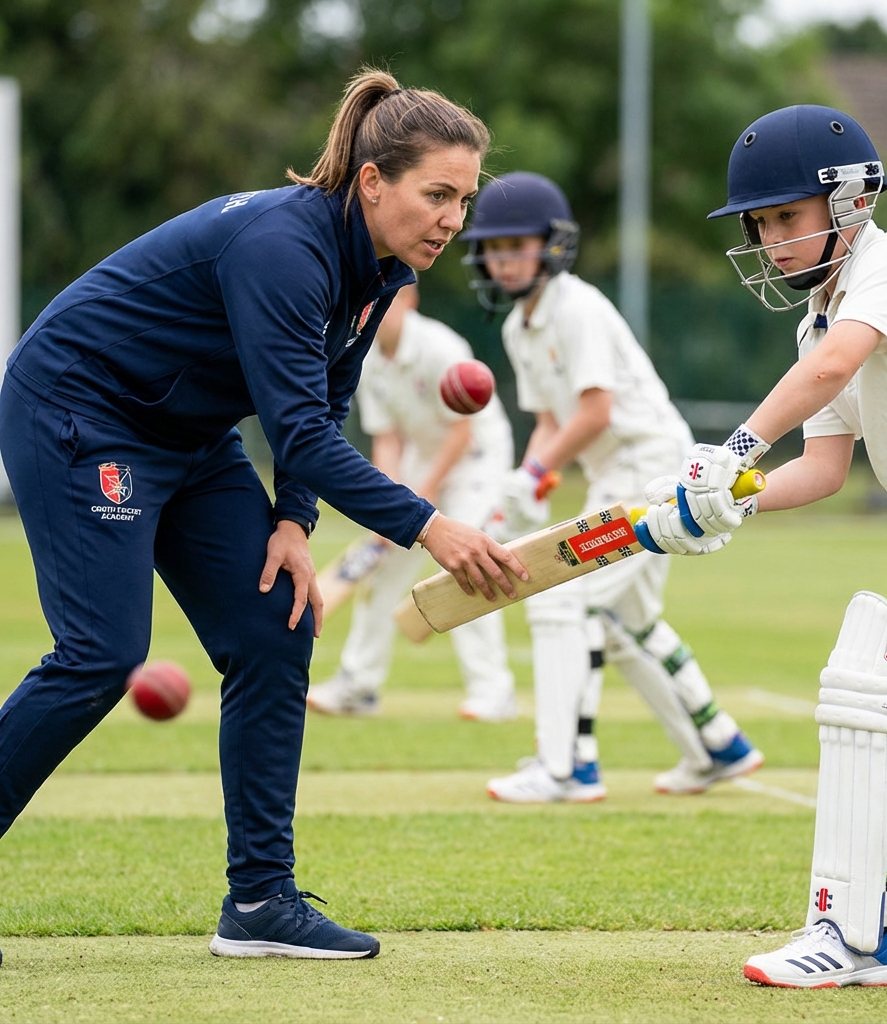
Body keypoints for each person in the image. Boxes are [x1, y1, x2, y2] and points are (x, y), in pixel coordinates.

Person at [0, 70, 526, 963]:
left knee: (277, 627)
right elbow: (302, 430)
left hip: (190, 434)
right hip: (81, 410)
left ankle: (259, 904)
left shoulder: (383, 266)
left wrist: (292, 521)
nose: (452, 219)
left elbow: (328, 394)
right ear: (372, 180)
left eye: (464, 200)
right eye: (436, 194)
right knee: (101, 654)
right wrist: (433, 526)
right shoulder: (285, 246)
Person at [640, 104, 887, 984]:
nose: (771, 240)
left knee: (871, 680)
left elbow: (834, 371)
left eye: (786, 218)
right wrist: (728, 502)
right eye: (761, 224)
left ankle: (851, 937)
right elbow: (818, 469)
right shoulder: (814, 318)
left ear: (850, 201)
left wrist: (732, 449)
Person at [461, 171, 763, 803]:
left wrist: (538, 472)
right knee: (628, 619)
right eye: (494, 247)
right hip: (613, 473)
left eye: (517, 243)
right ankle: (718, 747)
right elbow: (550, 419)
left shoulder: (577, 307)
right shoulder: (521, 329)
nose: (504, 259)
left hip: (649, 469)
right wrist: (525, 482)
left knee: (563, 596)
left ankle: (566, 768)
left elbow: (595, 411)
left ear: (551, 244)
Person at [307, 282, 517, 721]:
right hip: (424, 456)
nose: (380, 311)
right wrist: (388, 506)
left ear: (410, 301)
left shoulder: (441, 347)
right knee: (383, 566)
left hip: (477, 461)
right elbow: (388, 437)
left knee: (465, 562)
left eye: (391, 301)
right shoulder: (362, 354)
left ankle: (494, 691)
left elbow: (462, 432)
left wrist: (423, 500)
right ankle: (358, 686)